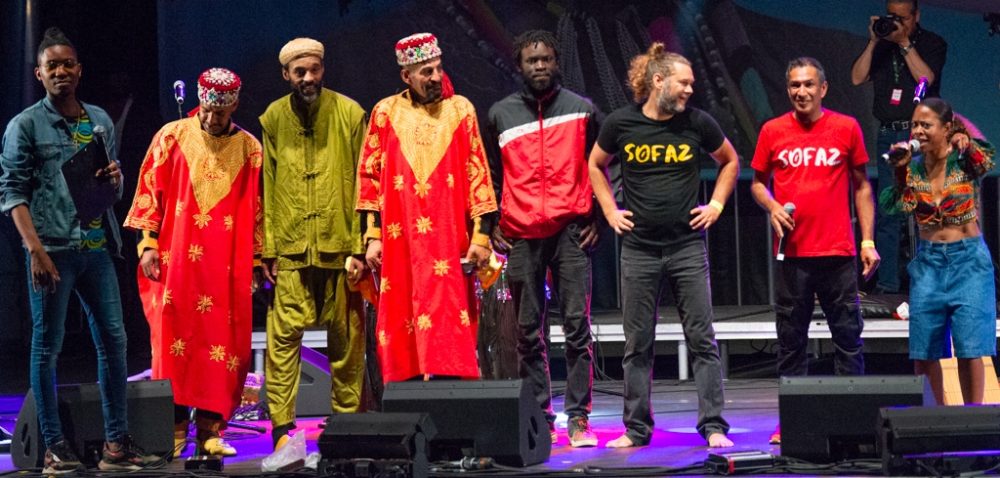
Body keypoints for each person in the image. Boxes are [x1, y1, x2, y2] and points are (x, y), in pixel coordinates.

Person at [0, 27, 149, 473]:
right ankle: (53, 446)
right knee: (47, 348)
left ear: (79, 70)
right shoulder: (25, 125)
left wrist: (115, 180)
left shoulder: (99, 119)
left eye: (68, 64)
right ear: (39, 74)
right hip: (53, 249)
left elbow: (111, 191)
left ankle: (116, 445)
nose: (61, 71)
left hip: (97, 246)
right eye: (52, 66)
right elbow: (12, 194)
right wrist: (35, 251)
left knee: (115, 343)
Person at [588, 43, 738, 449]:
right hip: (639, 249)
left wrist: (717, 204)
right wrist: (609, 210)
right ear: (658, 81)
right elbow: (595, 164)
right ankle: (636, 429)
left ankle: (713, 426)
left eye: (691, 84)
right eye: (683, 83)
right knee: (637, 343)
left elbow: (730, 160)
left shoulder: (697, 122)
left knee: (702, 339)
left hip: (687, 247)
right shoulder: (621, 123)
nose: (690, 89)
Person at [123, 67, 261, 457]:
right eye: (208, 110)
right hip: (177, 258)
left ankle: (210, 432)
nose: (212, 118)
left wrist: (255, 261)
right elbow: (149, 191)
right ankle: (174, 430)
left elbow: (255, 208)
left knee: (222, 343)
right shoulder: (172, 136)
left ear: (234, 105)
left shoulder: (250, 148)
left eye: (221, 112)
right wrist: (147, 245)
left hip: (225, 260)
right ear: (200, 102)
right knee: (175, 344)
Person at [356, 32, 498, 383]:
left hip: (449, 240)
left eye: (438, 68)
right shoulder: (385, 112)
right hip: (399, 241)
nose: (435, 77)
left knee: (451, 320)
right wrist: (372, 237)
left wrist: (481, 237)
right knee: (401, 322)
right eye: (426, 72)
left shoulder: (460, 110)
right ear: (406, 76)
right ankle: (407, 398)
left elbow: (479, 174)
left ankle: (450, 399)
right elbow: (369, 178)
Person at [751, 57, 879, 445]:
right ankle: (793, 421)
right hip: (792, 256)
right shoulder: (772, 130)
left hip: (838, 253)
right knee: (791, 343)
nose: (801, 92)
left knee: (848, 340)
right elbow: (757, 183)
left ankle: (851, 422)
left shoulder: (846, 127)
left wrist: (867, 240)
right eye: (795, 85)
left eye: (809, 84)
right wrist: (772, 206)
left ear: (823, 88)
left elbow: (862, 186)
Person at [485, 30, 599, 448]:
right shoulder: (499, 114)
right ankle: (541, 416)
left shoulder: (582, 110)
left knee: (576, 328)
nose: (539, 66)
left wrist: (598, 217)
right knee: (527, 332)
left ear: (556, 62)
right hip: (521, 232)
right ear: (519, 65)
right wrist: (493, 222)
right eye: (531, 61)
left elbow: (605, 165)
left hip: (570, 230)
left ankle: (579, 419)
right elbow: (489, 174)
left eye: (546, 59)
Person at [259, 38, 368, 450]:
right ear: (286, 75)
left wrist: (360, 245)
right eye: (300, 72)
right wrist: (268, 249)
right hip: (290, 247)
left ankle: (346, 424)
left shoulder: (349, 113)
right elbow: (268, 185)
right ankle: (282, 429)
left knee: (347, 339)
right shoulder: (273, 117)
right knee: (283, 340)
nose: (308, 78)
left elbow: (364, 183)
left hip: (341, 245)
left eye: (314, 70)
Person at [879, 97, 995, 405]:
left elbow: (986, 161)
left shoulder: (964, 159)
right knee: (925, 349)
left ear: (946, 128)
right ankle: (936, 420)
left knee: (970, 348)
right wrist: (899, 170)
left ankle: (972, 418)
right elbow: (897, 205)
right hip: (930, 264)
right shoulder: (914, 167)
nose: (918, 131)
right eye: (914, 125)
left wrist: (964, 137)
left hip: (968, 263)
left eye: (926, 125)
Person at [850, 0, 947, 295]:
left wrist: (904, 43)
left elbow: (926, 78)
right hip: (888, 134)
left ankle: (932, 283)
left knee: (926, 206)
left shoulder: (932, 43)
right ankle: (888, 285)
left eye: (902, 18)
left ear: (916, 16)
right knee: (889, 208)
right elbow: (856, 77)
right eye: (892, 16)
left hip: (921, 136)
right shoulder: (882, 43)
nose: (896, 23)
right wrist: (873, 41)